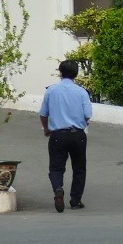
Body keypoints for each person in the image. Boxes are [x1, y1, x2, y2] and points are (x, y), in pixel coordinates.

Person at [38, 59, 93, 212]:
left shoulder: (51, 91)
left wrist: (46, 129)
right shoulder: (81, 92)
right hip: (77, 135)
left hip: (57, 135)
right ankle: (75, 201)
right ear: (76, 74)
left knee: (56, 167)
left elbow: (43, 114)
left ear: (60, 73)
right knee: (79, 168)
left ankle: (58, 188)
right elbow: (88, 115)